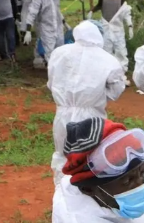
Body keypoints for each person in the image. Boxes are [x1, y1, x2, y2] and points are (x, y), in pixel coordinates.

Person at [48, 20, 126, 179]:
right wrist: (98, 96)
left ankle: (62, 193)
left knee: (62, 156)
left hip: (62, 113)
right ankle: (86, 194)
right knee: (91, 158)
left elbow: (52, 82)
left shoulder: (59, 53)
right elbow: (116, 91)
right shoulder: (108, 59)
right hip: (92, 116)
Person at [90, 0, 132, 76]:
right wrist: (92, 11)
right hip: (106, 26)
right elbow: (100, 5)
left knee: (121, 50)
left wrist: (130, 25)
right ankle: (106, 73)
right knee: (106, 50)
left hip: (118, 27)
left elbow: (125, 10)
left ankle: (121, 73)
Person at [23, 0, 65, 69]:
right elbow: (32, 13)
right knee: (49, 52)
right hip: (46, 28)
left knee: (60, 49)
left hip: (58, 27)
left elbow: (58, 11)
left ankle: (61, 70)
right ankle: (52, 74)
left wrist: (64, 23)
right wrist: (28, 31)